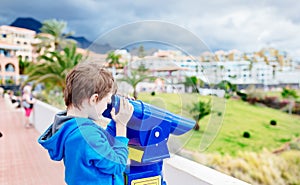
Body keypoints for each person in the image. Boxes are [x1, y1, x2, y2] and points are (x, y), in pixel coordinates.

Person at [38, 62, 134, 185]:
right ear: (94, 99)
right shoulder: (87, 135)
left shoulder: (70, 128)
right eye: (107, 101)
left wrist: (116, 121)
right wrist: (121, 125)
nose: (107, 107)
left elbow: (104, 144)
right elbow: (117, 163)